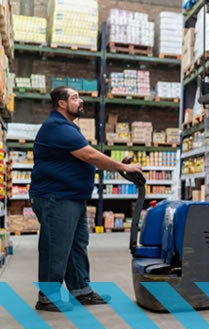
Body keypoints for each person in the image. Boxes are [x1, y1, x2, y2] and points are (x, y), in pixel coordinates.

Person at [30, 86, 143, 312]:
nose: (80, 101)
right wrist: (124, 166)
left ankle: (81, 291)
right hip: (56, 198)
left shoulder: (68, 127)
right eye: (74, 98)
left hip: (71, 198)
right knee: (56, 248)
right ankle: (48, 297)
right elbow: (89, 155)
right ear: (61, 103)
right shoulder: (56, 127)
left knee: (77, 245)